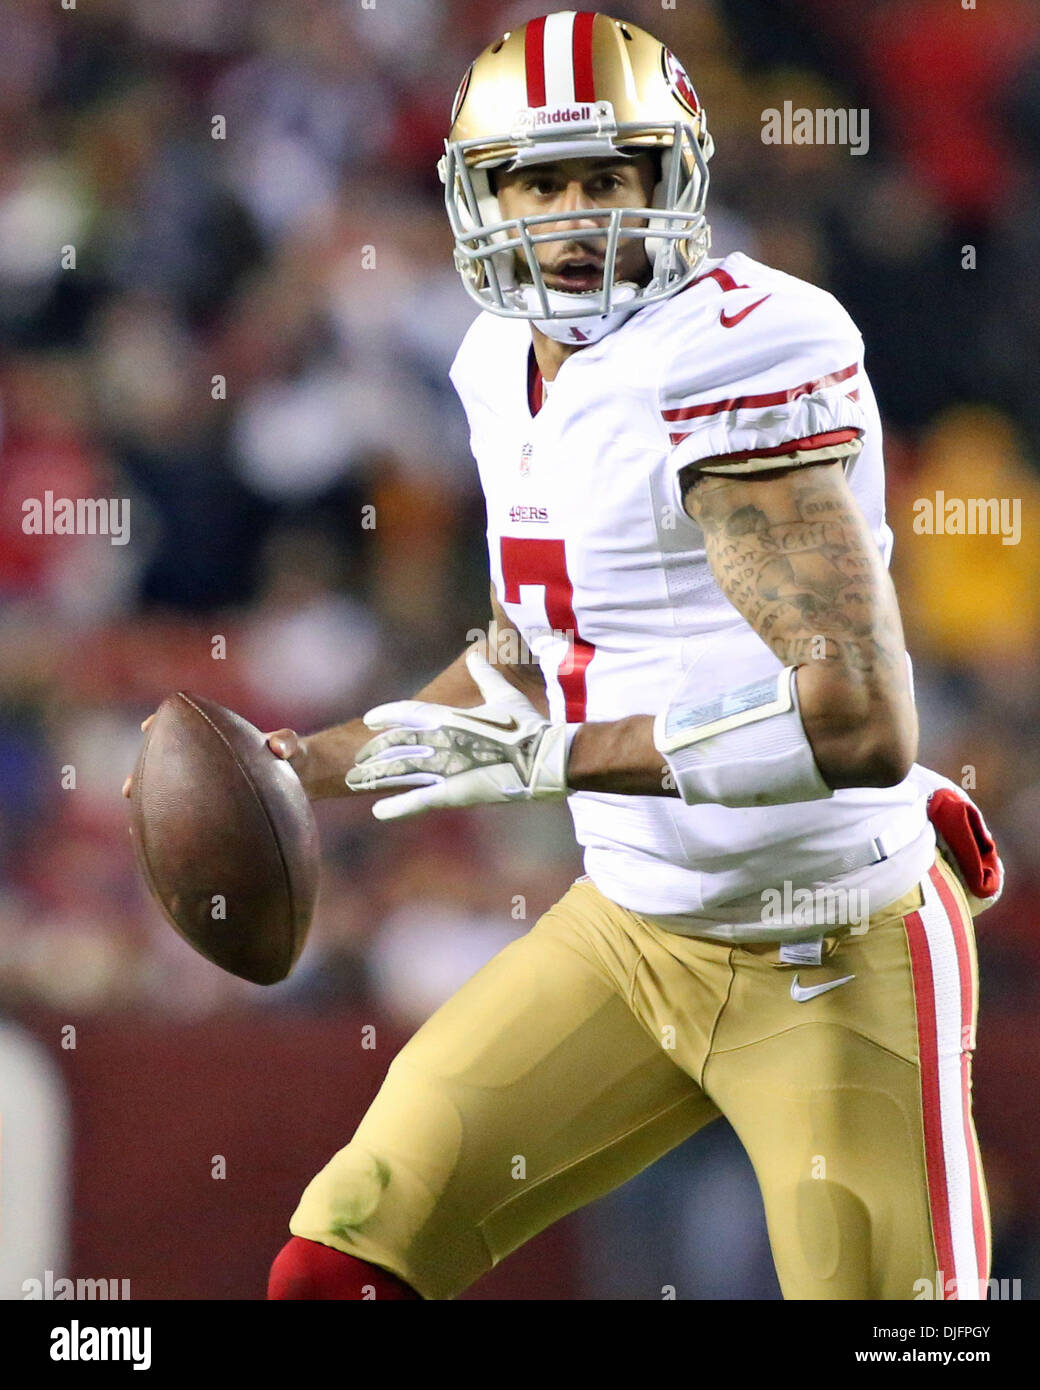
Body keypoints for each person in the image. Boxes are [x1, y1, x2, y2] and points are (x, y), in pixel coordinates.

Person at [131, 10, 1004, 1300]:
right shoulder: (499, 365)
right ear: (482, 197)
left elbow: (859, 721)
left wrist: (559, 762)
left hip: (833, 936)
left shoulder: (747, 349)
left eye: (611, 175)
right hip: (633, 930)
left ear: (675, 181)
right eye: (541, 180)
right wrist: (309, 764)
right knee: (339, 1260)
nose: (577, 212)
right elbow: (535, 651)